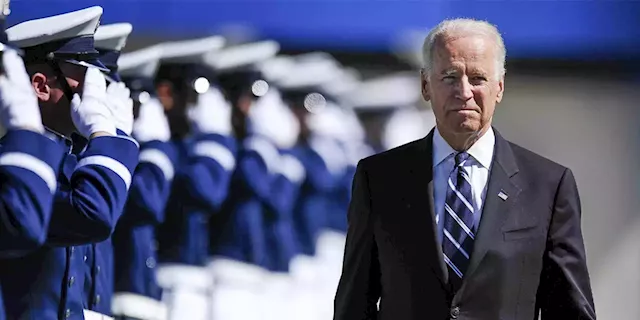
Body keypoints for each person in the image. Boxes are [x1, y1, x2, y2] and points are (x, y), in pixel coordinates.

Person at [333, 18, 596, 320]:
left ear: (499, 87)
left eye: (478, 78)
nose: (464, 91)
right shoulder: (379, 178)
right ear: (425, 85)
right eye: (449, 77)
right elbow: (354, 303)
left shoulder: (548, 185)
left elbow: (569, 309)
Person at [2, 7, 139, 320]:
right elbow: (94, 213)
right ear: (40, 86)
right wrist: (104, 131)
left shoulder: (70, 161)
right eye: (86, 81)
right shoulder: (14, 169)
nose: (97, 96)